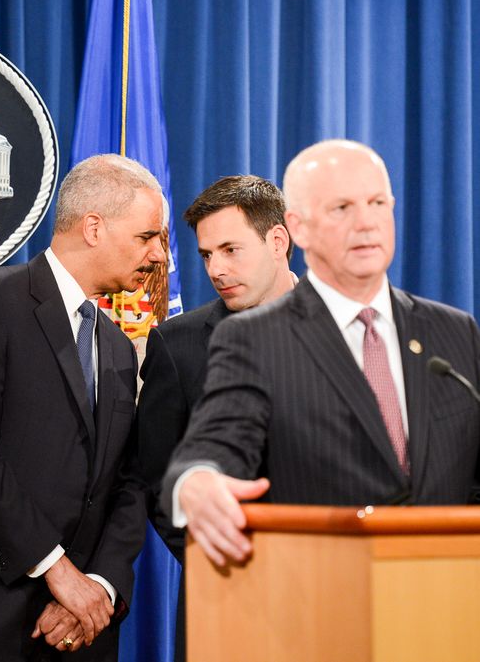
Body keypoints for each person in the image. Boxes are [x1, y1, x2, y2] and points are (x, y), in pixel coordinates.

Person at [0, 154, 165, 661]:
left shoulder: (120, 348)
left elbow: (129, 483)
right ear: (93, 227)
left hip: (76, 632)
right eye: (147, 236)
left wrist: (99, 586)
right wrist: (58, 572)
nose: (157, 255)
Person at [163, 139, 480, 568]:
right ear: (299, 229)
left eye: (377, 203)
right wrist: (196, 483)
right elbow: (214, 444)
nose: (366, 222)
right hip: (315, 598)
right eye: (342, 208)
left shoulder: (453, 332)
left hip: (441, 600)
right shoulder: (252, 339)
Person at [136, 175, 295, 661]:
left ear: (278, 241)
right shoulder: (177, 344)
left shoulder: (351, 331)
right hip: (226, 599)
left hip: (342, 592)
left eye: (230, 249)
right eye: (207, 255)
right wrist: (223, 561)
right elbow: (157, 481)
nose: (217, 269)